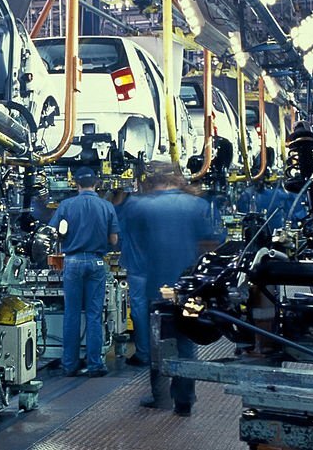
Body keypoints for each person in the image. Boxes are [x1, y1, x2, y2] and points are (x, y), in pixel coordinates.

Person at [123, 163, 222, 416]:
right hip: (190, 288)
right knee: (187, 341)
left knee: (158, 342)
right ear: (176, 178)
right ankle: (184, 399)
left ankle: (161, 397)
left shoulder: (138, 206)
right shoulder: (197, 205)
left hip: (157, 287)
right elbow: (212, 246)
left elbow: (129, 244)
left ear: (151, 180)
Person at [49, 167, 118, 377]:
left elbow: (55, 234)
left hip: (72, 262)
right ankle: (95, 365)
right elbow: (114, 240)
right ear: (96, 183)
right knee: (94, 315)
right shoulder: (107, 206)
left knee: (71, 314)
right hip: (96, 262)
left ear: (76, 183)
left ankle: (69, 365)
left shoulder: (66, 205)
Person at [113, 189, 147, 367]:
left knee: (139, 311)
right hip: (157, 268)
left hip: (138, 268)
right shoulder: (152, 207)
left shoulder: (130, 208)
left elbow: (115, 228)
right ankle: (159, 351)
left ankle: (144, 353)